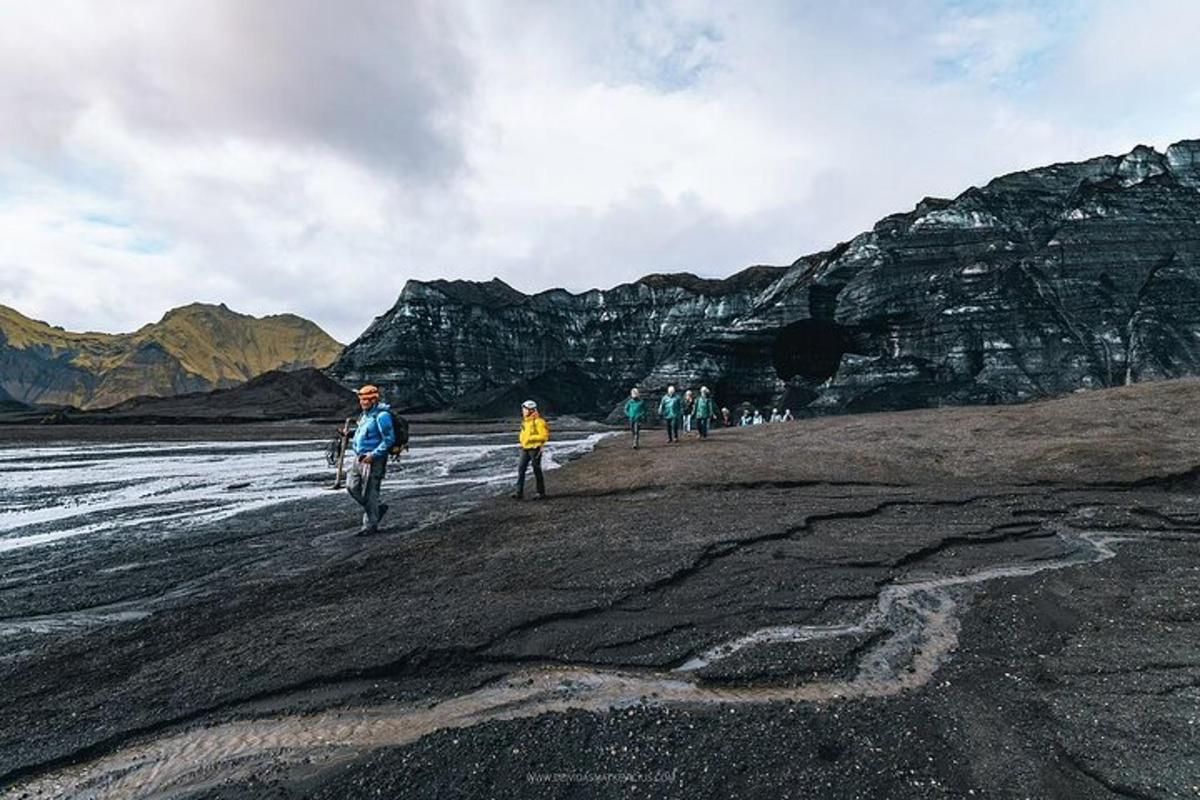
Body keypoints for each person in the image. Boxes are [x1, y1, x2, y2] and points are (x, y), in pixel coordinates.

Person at [346, 384, 396, 536]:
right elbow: (364, 433)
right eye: (361, 399)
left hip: (373, 460)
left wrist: (373, 455)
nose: (362, 402)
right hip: (358, 457)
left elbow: (389, 439)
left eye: (366, 400)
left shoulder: (382, 416)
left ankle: (370, 525)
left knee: (370, 492)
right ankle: (376, 508)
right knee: (351, 487)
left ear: (373, 400)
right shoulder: (365, 415)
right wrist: (350, 434)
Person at [513, 399, 550, 500]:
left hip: (535, 449)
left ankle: (541, 492)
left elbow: (544, 436)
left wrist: (529, 439)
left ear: (530, 410)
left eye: (524, 409)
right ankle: (519, 492)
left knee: (536, 469)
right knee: (521, 469)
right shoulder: (525, 422)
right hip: (525, 448)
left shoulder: (539, 422)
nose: (523, 411)